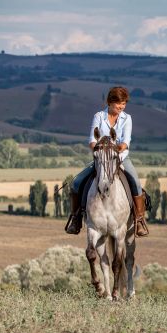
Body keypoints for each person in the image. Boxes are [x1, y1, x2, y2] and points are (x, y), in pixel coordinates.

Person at [64, 86, 149, 237]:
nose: (121, 107)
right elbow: (92, 140)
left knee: (136, 182)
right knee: (77, 182)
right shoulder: (99, 116)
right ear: (110, 102)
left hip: (121, 158)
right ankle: (76, 219)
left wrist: (116, 148)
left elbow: (125, 142)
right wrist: (100, 150)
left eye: (124, 104)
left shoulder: (127, 118)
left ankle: (139, 220)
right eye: (119, 104)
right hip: (102, 159)